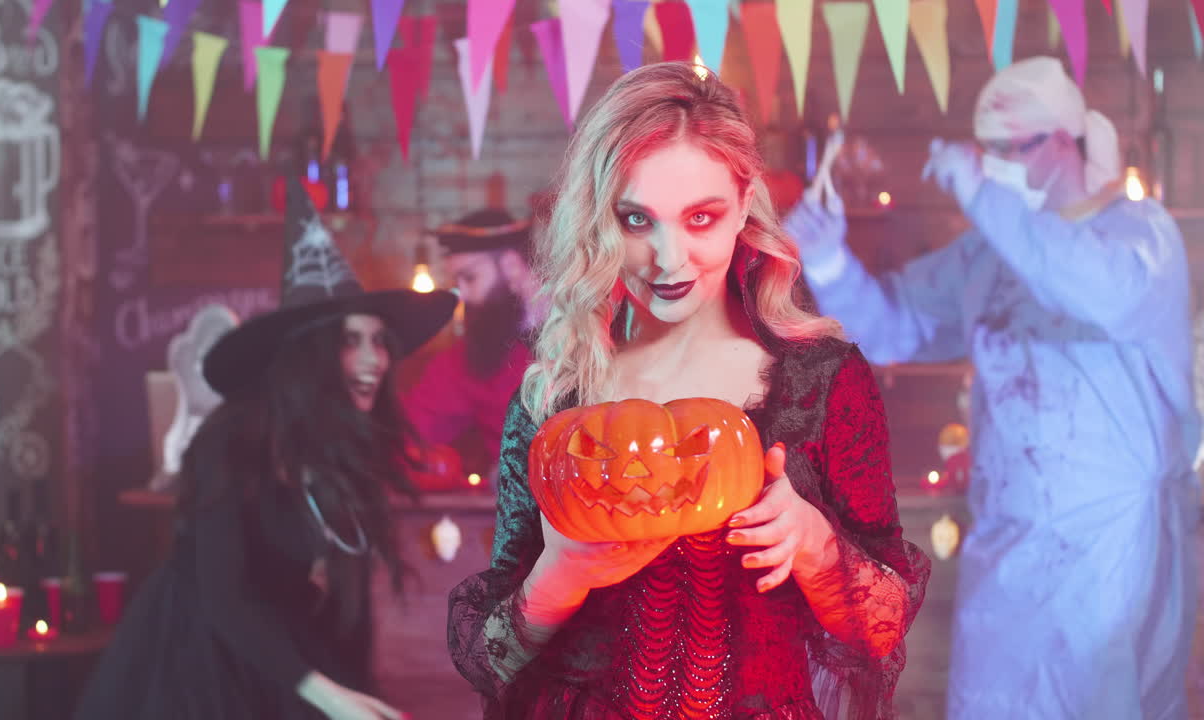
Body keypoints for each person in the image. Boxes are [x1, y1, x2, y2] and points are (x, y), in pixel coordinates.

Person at [447, 62, 930, 720]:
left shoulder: (822, 382)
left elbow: (883, 629)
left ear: (744, 209)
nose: (669, 258)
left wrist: (817, 545)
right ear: (598, 222)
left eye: (701, 218)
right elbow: (487, 657)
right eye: (637, 221)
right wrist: (559, 575)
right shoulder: (556, 394)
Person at [785, 56, 1199, 719]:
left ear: (1064, 140)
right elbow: (894, 330)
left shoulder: (1138, 239)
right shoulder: (987, 254)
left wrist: (983, 192)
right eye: (988, 153)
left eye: (1010, 151)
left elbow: (1086, 286)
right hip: (1011, 538)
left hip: (1113, 545)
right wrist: (831, 259)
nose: (995, 166)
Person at [75, 179, 457, 720]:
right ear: (309, 354)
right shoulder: (231, 443)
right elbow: (225, 599)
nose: (374, 358)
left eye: (379, 340)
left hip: (289, 666)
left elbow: (344, 608)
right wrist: (329, 696)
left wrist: (351, 692)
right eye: (351, 340)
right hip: (199, 666)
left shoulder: (347, 452)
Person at [405, 209, 539, 476]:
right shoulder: (473, 356)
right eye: (457, 282)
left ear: (511, 266)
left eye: (470, 278)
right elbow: (410, 429)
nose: (461, 295)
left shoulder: (592, 328)